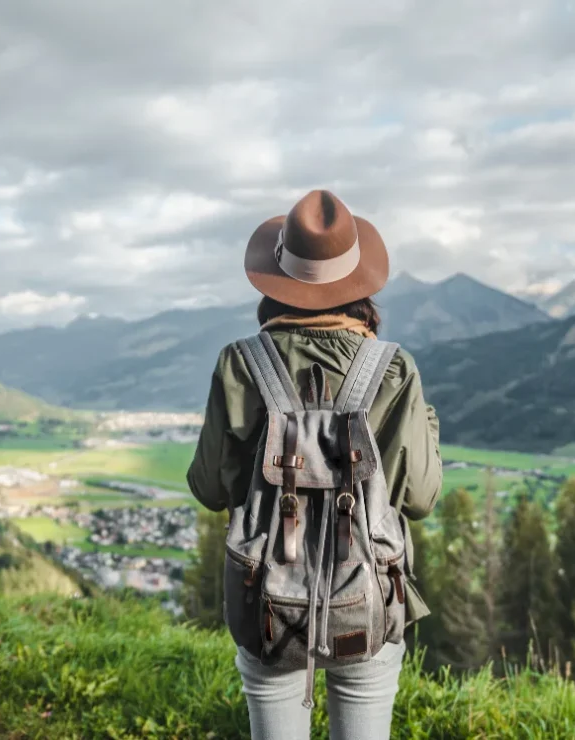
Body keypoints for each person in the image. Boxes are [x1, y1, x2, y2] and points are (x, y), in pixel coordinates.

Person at [186, 189, 442, 740]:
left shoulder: (239, 363)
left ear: (277, 280)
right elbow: (420, 498)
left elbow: (209, 487)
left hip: (267, 603)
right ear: (359, 283)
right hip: (368, 595)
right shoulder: (393, 369)